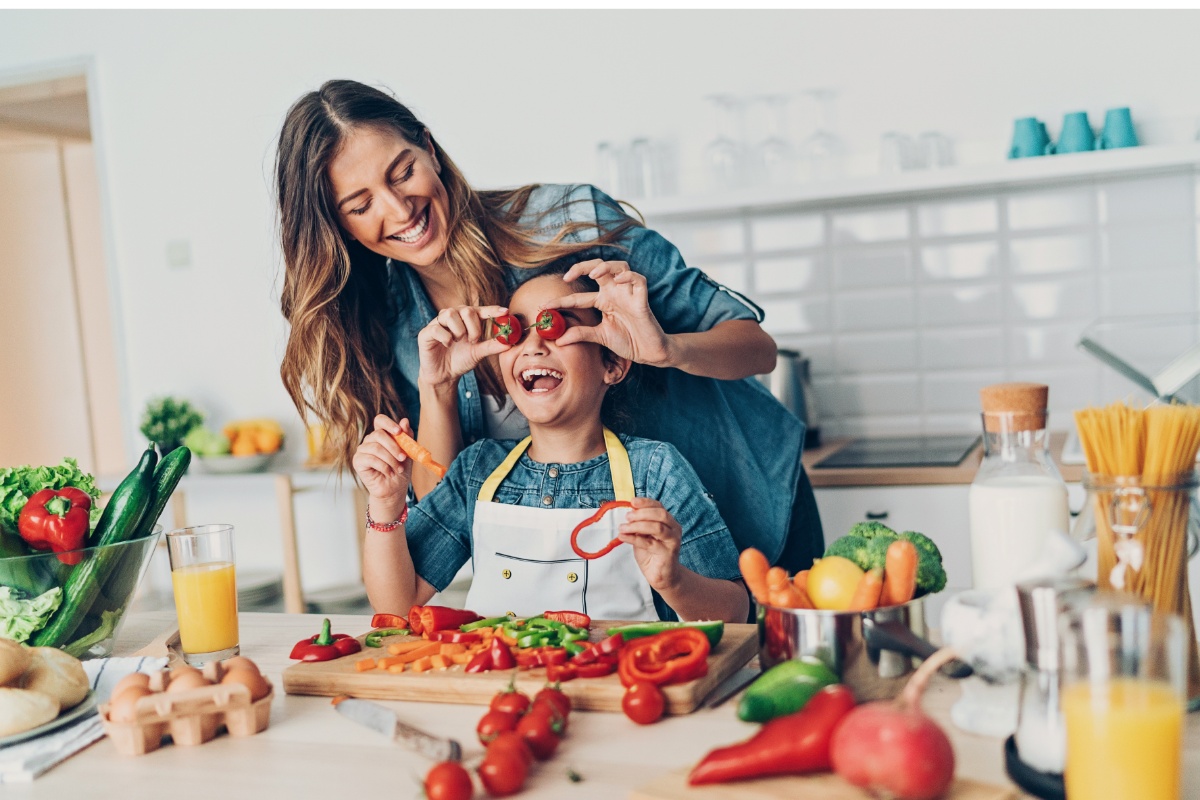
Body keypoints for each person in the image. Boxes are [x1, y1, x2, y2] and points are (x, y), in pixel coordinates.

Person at [275, 79, 823, 573]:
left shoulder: (565, 220)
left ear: (430, 148)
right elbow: (441, 503)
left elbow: (757, 348)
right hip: (611, 572)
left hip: (751, 512)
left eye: (403, 172)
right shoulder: (388, 323)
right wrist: (437, 391)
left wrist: (665, 348)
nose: (398, 210)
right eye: (361, 203)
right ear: (336, 224)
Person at [353, 272, 748, 622]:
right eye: (515, 330)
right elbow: (397, 606)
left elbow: (736, 611)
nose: (533, 345)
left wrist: (674, 580)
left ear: (612, 364)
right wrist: (386, 502)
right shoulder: (476, 470)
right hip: (501, 688)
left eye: (556, 325)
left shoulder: (656, 469)